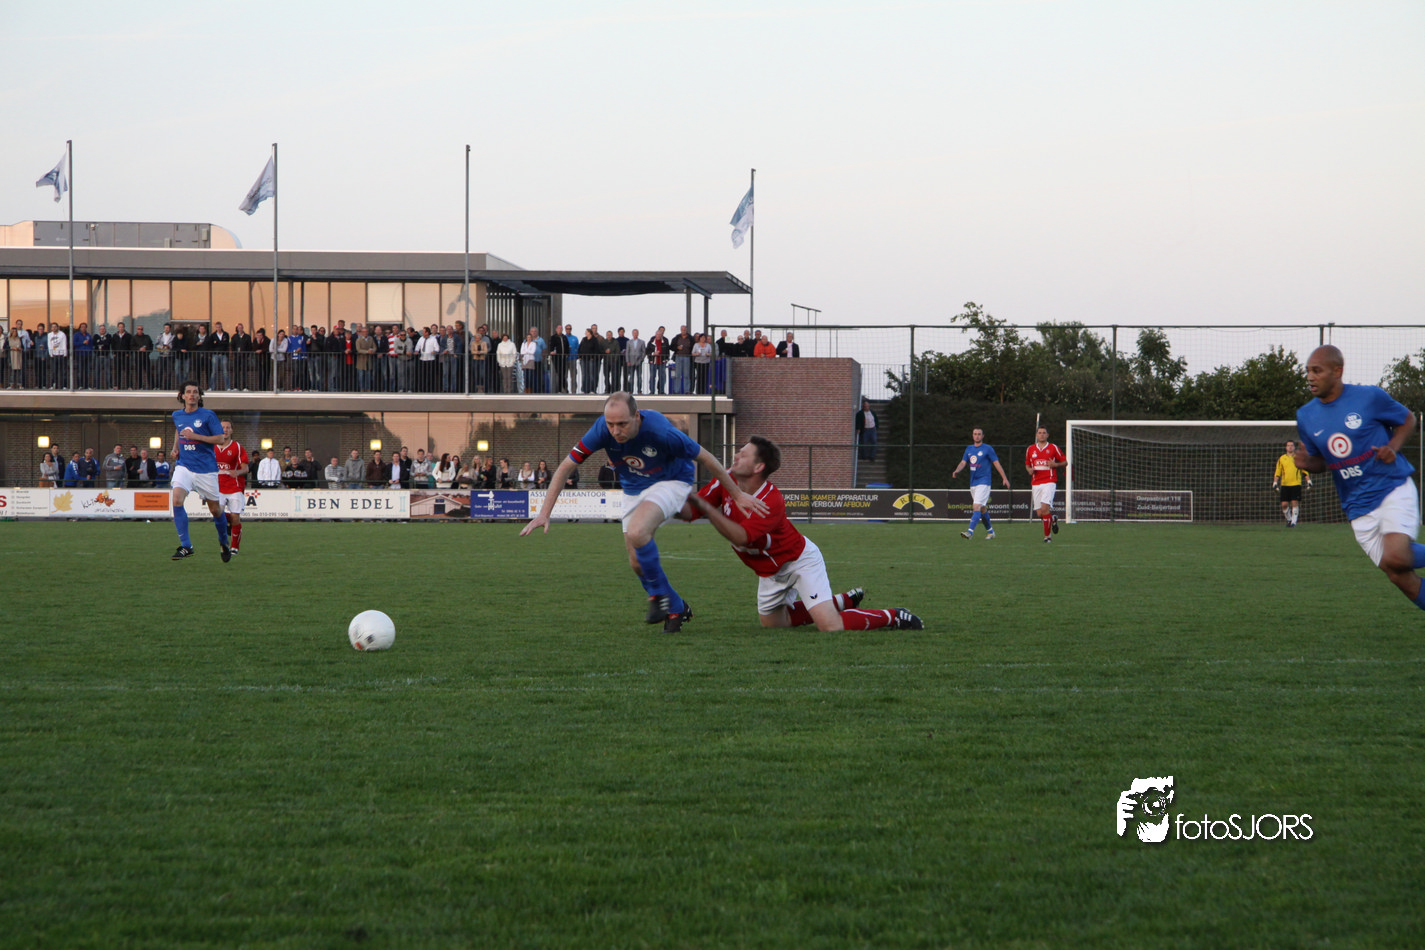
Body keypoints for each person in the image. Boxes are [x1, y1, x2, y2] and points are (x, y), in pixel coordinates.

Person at [522, 392, 767, 632]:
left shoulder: (662, 432)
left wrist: (737, 494)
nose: (615, 431)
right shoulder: (601, 430)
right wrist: (544, 513)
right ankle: (676, 606)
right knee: (637, 563)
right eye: (610, 424)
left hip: (672, 482)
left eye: (622, 424)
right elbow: (566, 466)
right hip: (633, 488)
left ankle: (657, 596)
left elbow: (707, 458)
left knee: (638, 532)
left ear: (637, 416)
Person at [683, 436, 923, 631]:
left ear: (758, 467)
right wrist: (665, 499)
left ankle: (893, 616)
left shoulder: (771, 499)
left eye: (743, 454)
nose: (736, 456)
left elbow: (741, 537)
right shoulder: (725, 480)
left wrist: (708, 510)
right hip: (769, 573)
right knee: (775, 625)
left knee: (830, 626)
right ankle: (843, 601)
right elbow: (690, 511)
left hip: (799, 562)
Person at [1294, 345, 1425, 611]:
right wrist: (1307, 463)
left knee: (1397, 557)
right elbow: (1323, 461)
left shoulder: (1369, 397)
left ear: (1337, 371)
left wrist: (1392, 447)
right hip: (1356, 505)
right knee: (1397, 574)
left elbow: (1407, 419)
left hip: (1391, 487)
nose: (1310, 377)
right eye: (1308, 371)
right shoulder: (1305, 416)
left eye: (1317, 371)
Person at [169, 381, 231, 561]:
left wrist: (195, 436)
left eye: (195, 392)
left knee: (215, 510)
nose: (192, 395)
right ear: (182, 396)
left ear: (199, 396)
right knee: (177, 499)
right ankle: (186, 546)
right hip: (184, 466)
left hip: (206, 470)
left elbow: (220, 439)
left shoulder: (208, 415)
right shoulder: (177, 415)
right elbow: (178, 430)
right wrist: (175, 448)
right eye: (188, 392)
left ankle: (223, 541)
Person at [952, 428, 1011, 539]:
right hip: (973, 483)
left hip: (984, 481)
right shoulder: (969, 449)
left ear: (983, 436)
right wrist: (957, 470)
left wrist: (1004, 478)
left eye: (979, 434)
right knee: (982, 509)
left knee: (976, 506)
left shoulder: (988, 449)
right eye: (975, 434)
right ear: (972, 435)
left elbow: (996, 463)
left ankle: (970, 532)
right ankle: (991, 532)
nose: (977, 436)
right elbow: (963, 462)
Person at [1025, 426, 1066, 543]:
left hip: (1049, 481)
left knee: (1044, 509)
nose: (1042, 435)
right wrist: (1029, 470)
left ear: (1047, 435)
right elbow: (1027, 464)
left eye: (1044, 433)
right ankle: (1053, 519)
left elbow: (1065, 461)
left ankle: (1047, 537)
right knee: (1040, 513)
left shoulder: (1053, 448)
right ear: (1036, 435)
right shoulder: (1030, 449)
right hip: (1036, 482)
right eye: (1040, 433)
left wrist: (1056, 465)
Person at [215, 421, 250, 555]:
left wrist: (238, 472)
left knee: (235, 517)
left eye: (228, 428)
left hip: (235, 486)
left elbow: (245, 468)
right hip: (217, 487)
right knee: (216, 513)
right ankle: (227, 523)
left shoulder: (237, 447)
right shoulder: (211, 447)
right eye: (222, 427)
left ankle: (234, 547)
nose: (225, 430)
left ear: (232, 430)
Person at [1272, 439, 1312, 526]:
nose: (1290, 447)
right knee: (1284, 504)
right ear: (1286, 447)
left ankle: (1294, 522)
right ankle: (1289, 519)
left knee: (1294, 502)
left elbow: (1304, 471)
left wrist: (1308, 481)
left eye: (1291, 445)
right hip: (1285, 484)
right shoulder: (1282, 458)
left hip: (1296, 483)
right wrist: (1275, 482)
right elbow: (1278, 471)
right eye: (1288, 445)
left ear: (1294, 447)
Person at [855, 398, 878, 462]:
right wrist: (858, 428)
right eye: (865, 406)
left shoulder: (872, 412)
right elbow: (858, 421)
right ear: (863, 406)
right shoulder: (860, 413)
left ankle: (872, 456)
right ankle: (864, 455)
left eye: (867, 406)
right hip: (865, 429)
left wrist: (876, 426)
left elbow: (876, 419)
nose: (866, 407)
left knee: (874, 442)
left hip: (872, 429)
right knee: (864, 443)